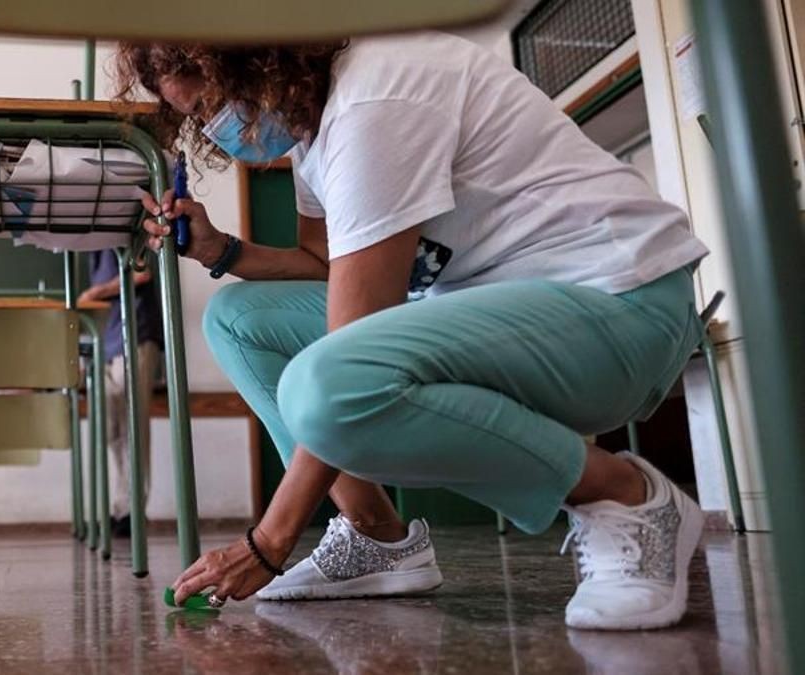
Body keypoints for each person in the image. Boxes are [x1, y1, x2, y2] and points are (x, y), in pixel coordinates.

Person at [114, 32, 710, 631]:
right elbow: (325, 261)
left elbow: (348, 344)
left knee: (331, 383)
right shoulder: (311, 127)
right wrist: (223, 250)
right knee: (240, 321)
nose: (215, 129)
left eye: (213, 105)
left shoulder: (373, 104)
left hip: (622, 304)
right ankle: (376, 541)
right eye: (196, 117)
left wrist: (269, 541)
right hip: (515, 315)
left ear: (252, 63)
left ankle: (627, 497)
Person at [79, 251, 163, 538]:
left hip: (135, 335)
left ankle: (132, 511)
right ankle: (121, 507)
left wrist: (95, 292)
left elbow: (142, 273)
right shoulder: (93, 249)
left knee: (133, 427)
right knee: (114, 430)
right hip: (109, 341)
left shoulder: (124, 229)